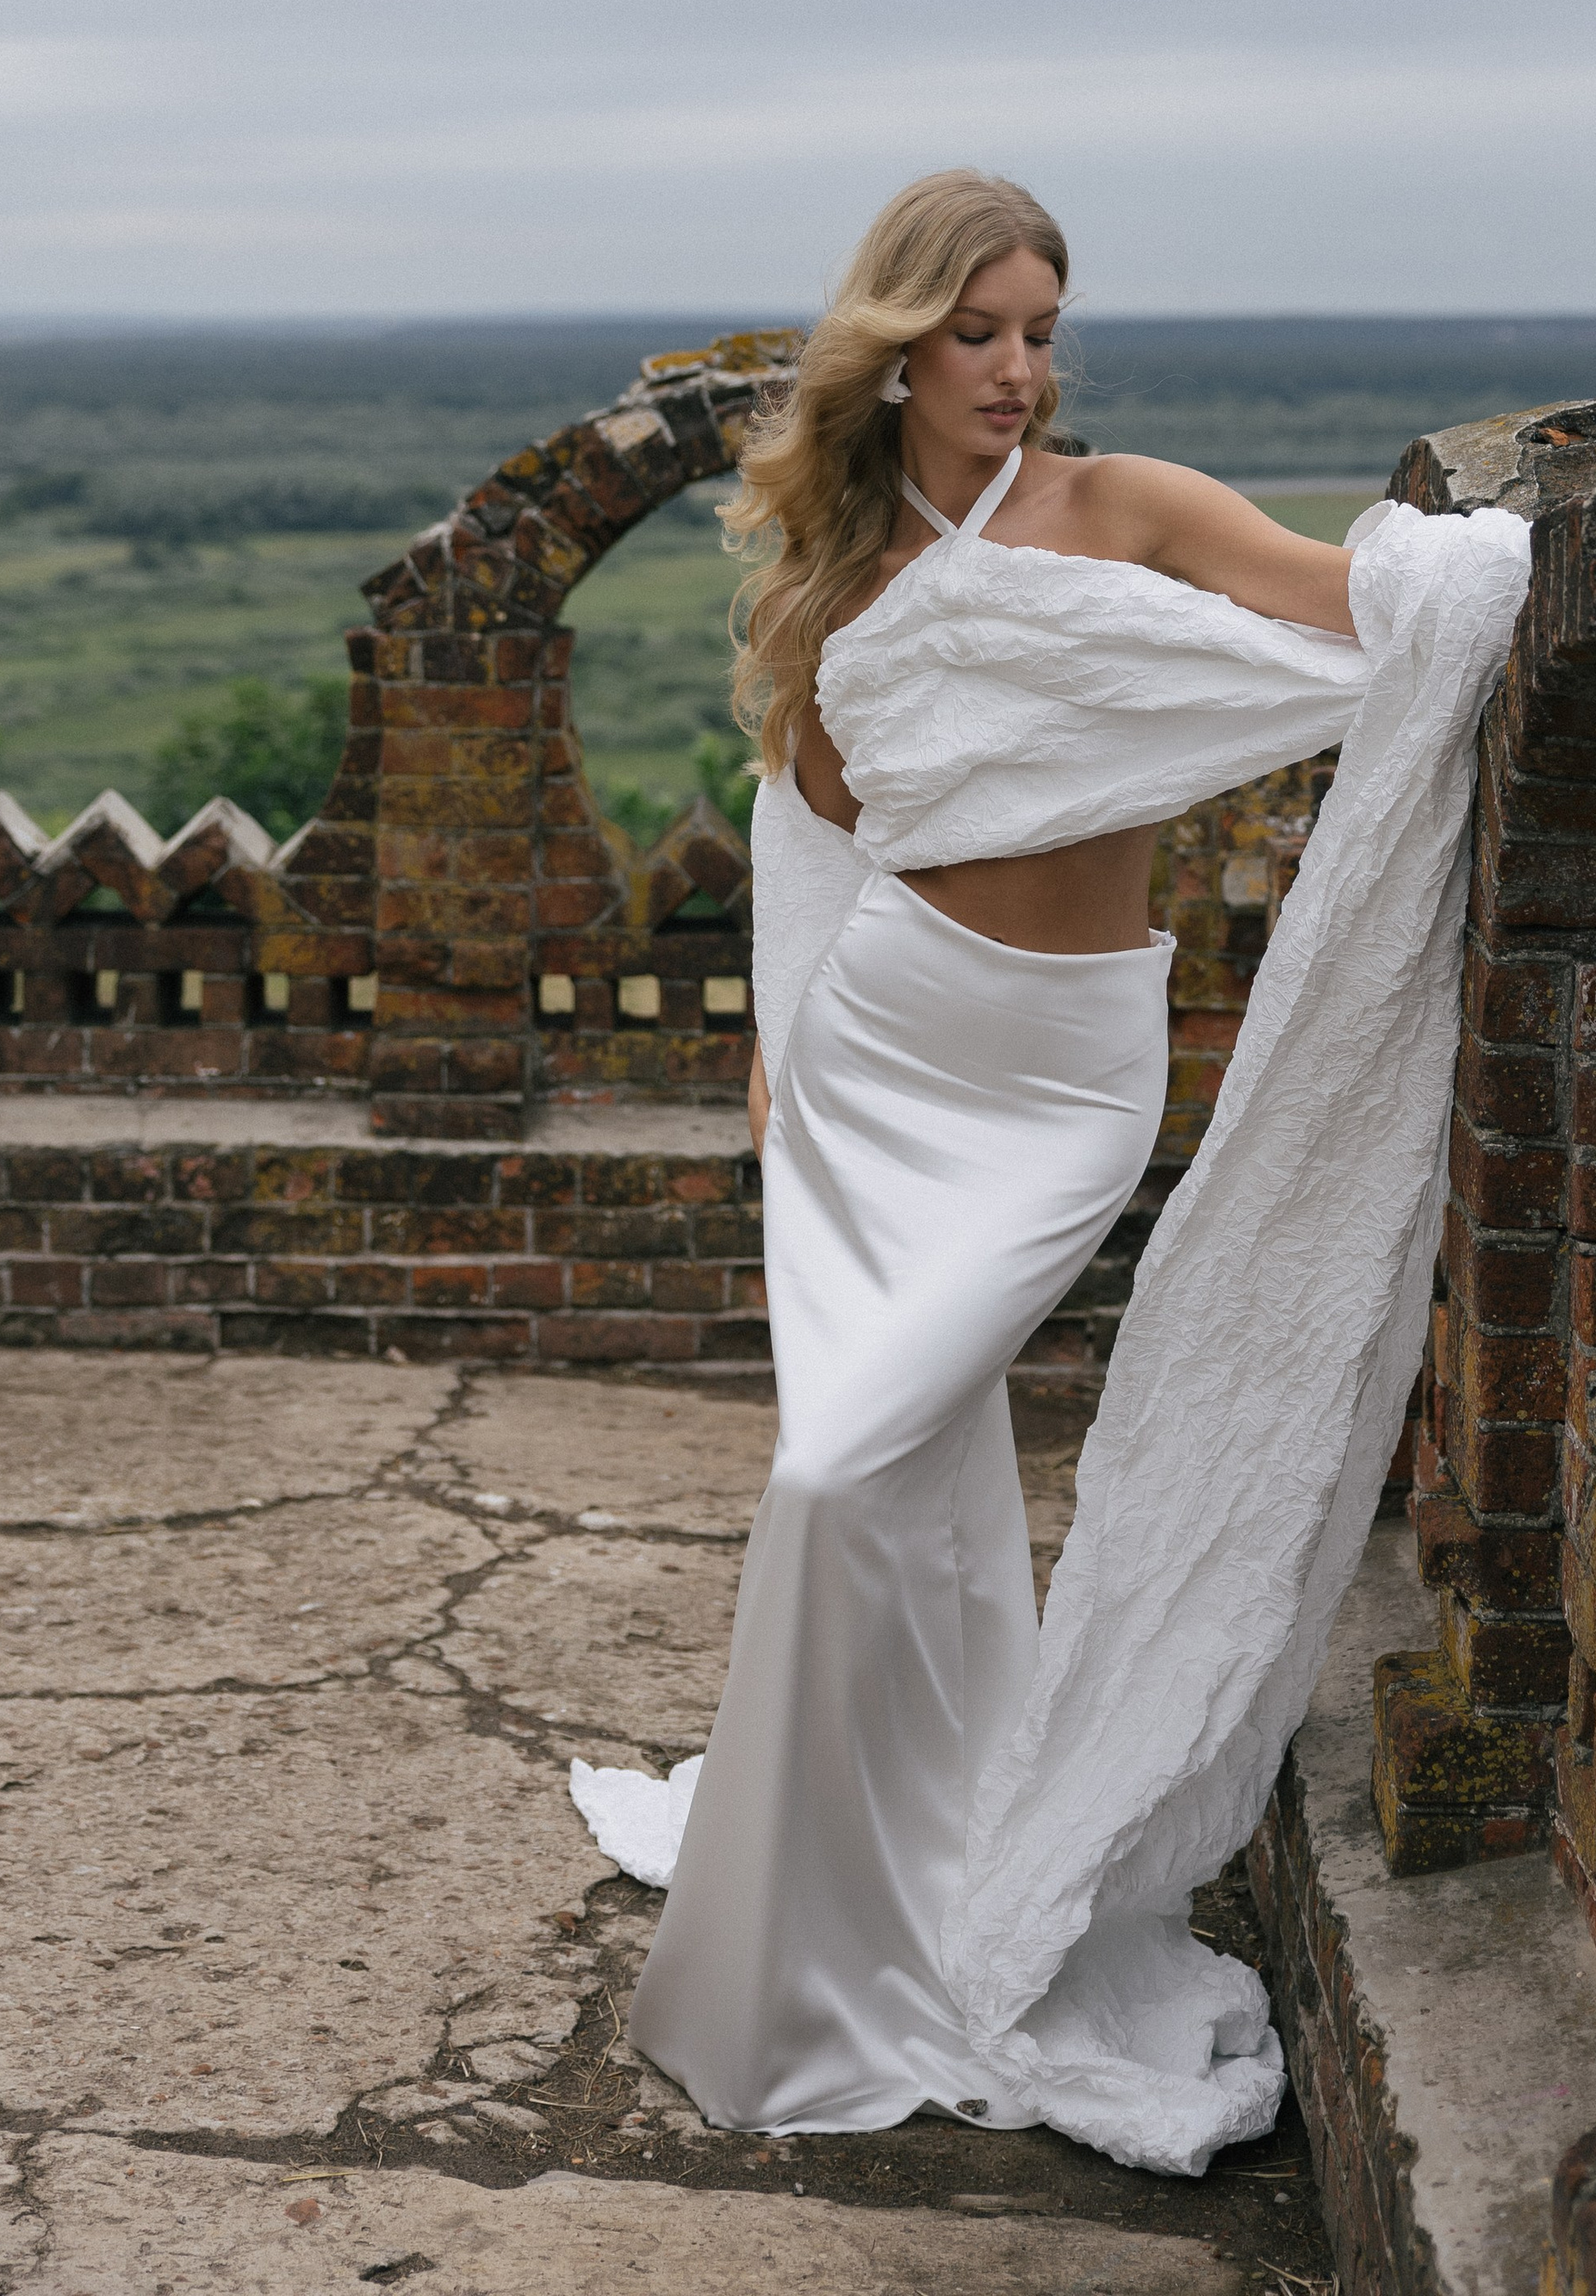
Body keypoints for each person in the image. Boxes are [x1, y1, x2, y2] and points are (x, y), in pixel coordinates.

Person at [605, 169, 1530, 2174]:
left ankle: (902, 1891)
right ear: (898, 345)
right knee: (872, 1473)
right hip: (880, 1056)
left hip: (1052, 1083)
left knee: (843, 1464)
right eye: (977, 333)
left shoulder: (1128, 511)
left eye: (1039, 327)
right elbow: (814, 827)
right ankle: (853, 1865)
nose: (1017, 369)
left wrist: (1472, 569)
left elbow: (1360, 610)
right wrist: (781, 1030)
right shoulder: (838, 570)